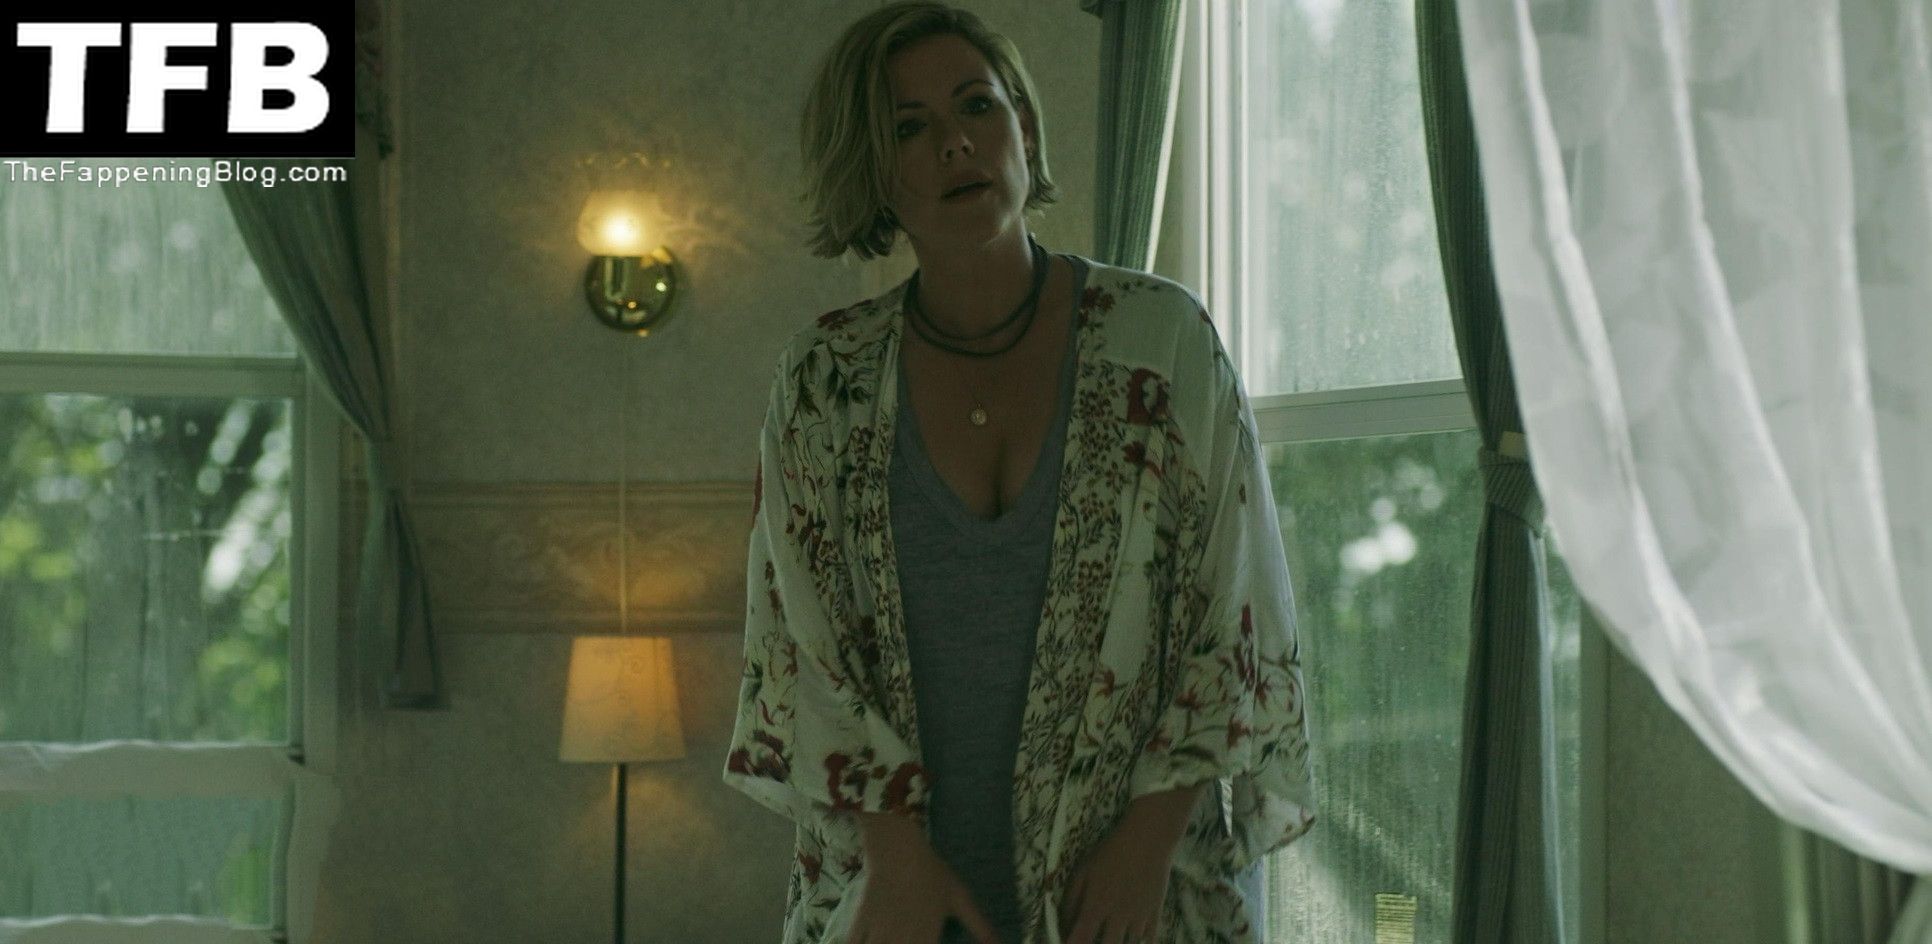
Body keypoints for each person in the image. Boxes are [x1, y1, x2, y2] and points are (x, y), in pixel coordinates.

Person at [722, 4, 1313, 942]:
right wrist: (896, 858)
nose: (955, 143)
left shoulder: (1160, 339)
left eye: (976, 106)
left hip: (1133, 896)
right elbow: (803, 645)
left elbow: (1233, 610)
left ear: (1024, 128)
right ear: (872, 171)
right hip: (901, 900)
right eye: (909, 128)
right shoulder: (825, 380)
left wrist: (1147, 845)